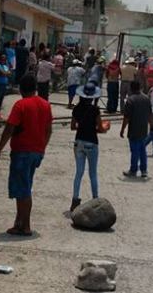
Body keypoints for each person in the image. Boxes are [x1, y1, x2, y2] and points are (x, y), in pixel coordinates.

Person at [0, 74, 53, 236]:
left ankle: (25, 226)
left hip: (22, 152)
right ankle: (19, 222)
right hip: (36, 152)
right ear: (35, 88)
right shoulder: (45, 105)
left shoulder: (20, 105)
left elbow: (9, 129)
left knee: (23, 190)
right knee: (23, 188)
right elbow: (49, 130)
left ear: (20, 89)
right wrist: (42, 148)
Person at [70, 81, 102, 211]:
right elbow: (100, 128)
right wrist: (104, 127)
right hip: (92, 142)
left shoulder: (76, 109)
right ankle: (95, 199)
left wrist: (81, 126)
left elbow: (73, 127)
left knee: (79, 172)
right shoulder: (95, 110)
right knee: (93, 173)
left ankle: (75, 199)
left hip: (79, 141)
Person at [120, 81, 151, 178]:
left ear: (131, 89)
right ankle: (144, 170)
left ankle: (133, 170)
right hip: (143, 129)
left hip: (134, 129)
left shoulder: (130, 100)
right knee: (142, 150)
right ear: (140, 87)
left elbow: (126, 117)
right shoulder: (146, 98)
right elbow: (150, 114)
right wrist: (152, 125)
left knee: (135, 150)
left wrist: (122, 129)